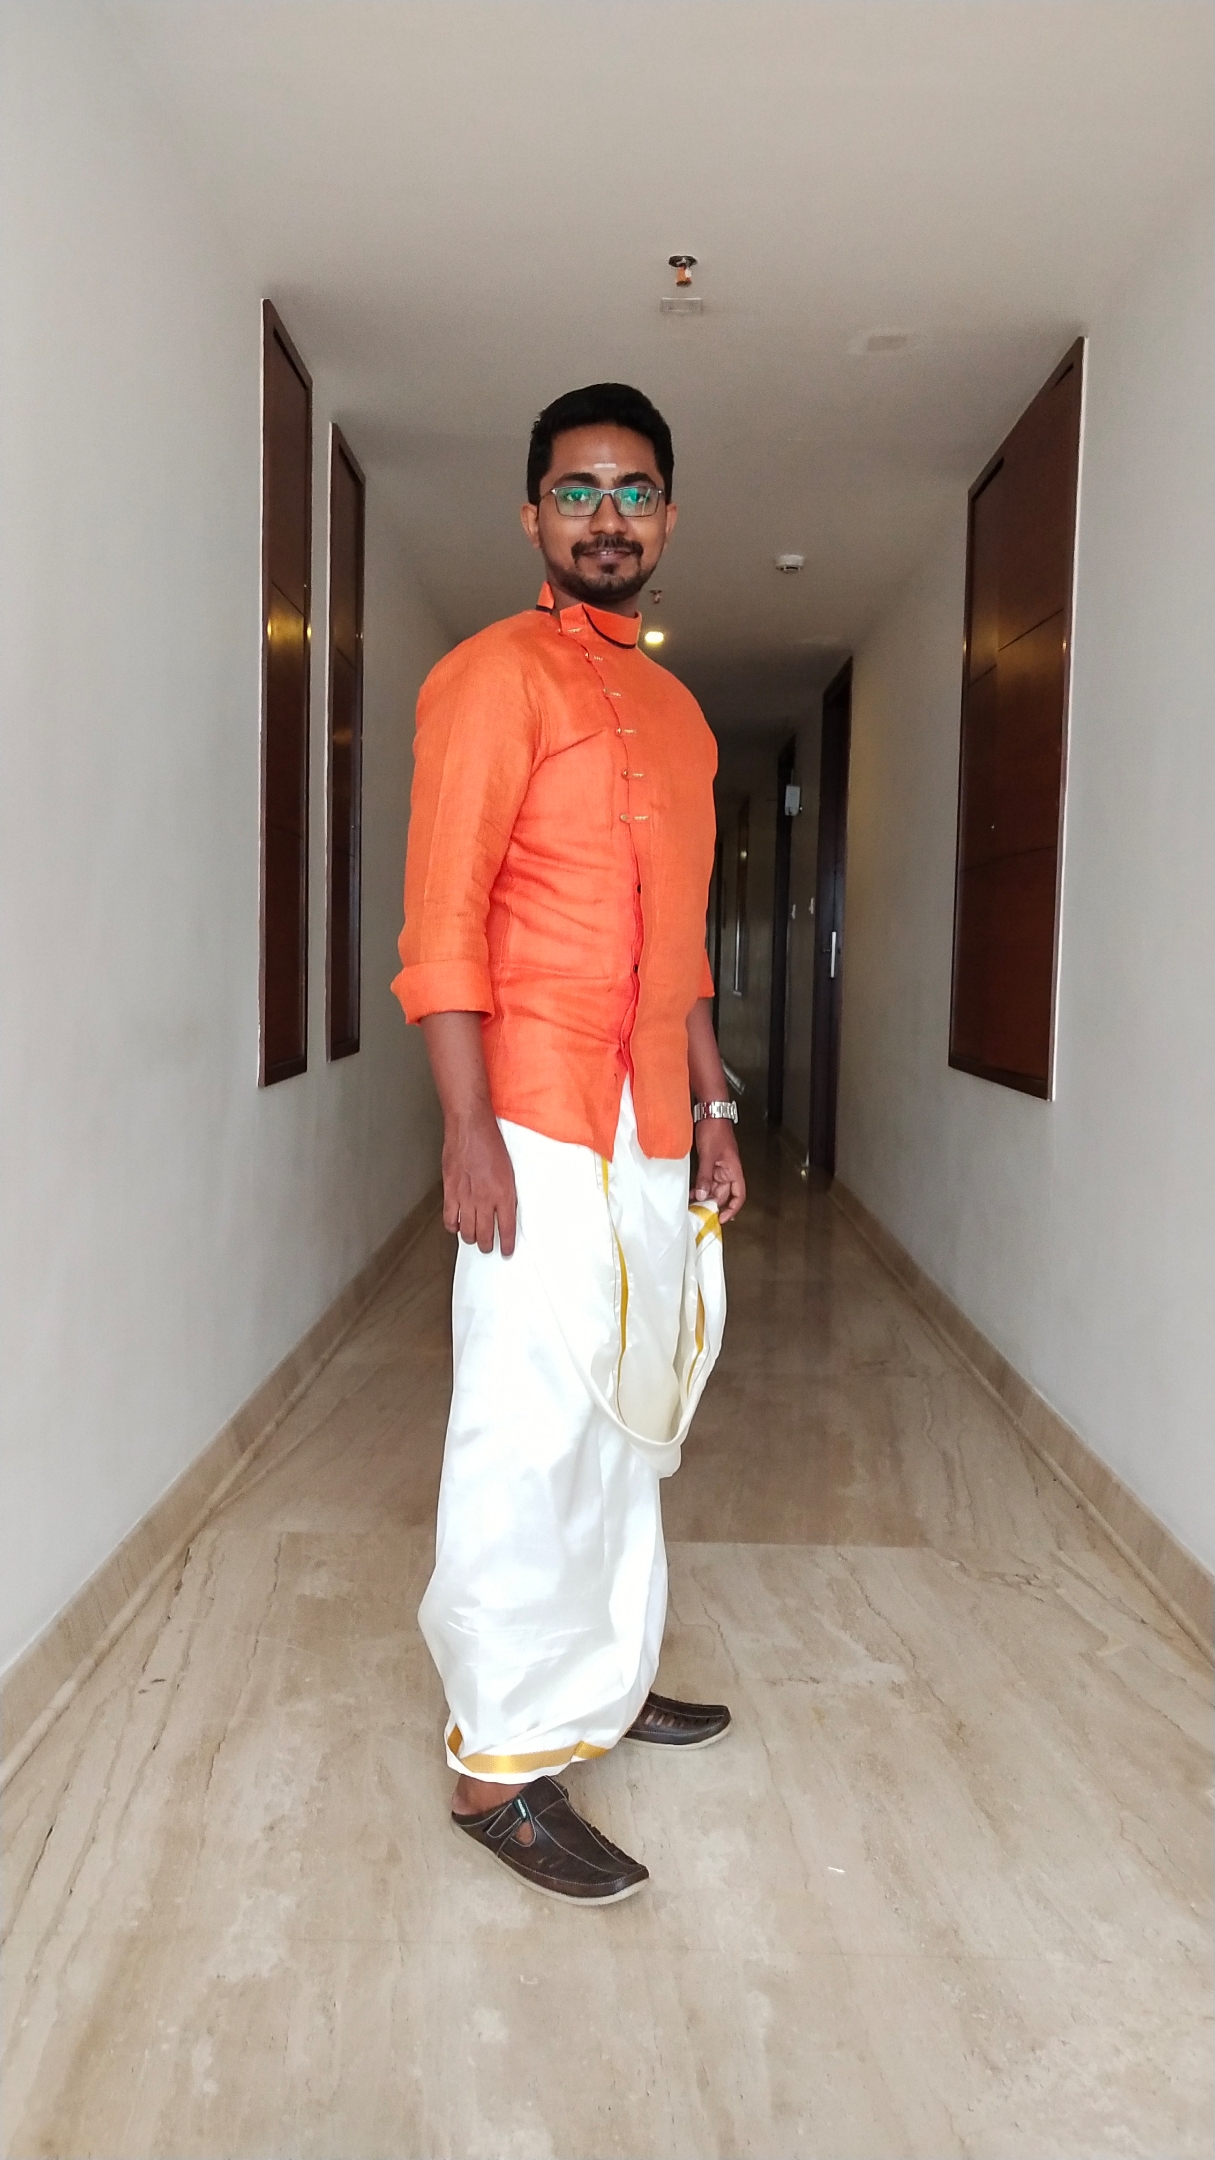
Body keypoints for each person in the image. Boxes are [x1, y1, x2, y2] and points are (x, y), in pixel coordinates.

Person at [393, 381, 746, 1905]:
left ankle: (600, 1681)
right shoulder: (488, 678)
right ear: (534, 512)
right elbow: (443, 923)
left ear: (667, 515)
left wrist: (712, 1104)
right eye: (580, 490)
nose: (609, 517)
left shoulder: (681, 715)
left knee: (626, 1424)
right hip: (533, 1119)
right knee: (524, 1431)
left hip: (652, 1124)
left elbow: (684, 946)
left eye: (634, 491)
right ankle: (497, 1766)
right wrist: (467, 1128)